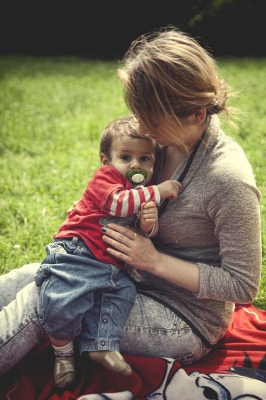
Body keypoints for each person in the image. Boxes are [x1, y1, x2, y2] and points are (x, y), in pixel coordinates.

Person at [0, 27, 262, 391]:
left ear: (196, 115)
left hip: (182, 319)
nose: (140, 127)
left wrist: (153, 261)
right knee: (29, 276)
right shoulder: (161, 140)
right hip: (119, 277)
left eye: (150, 118)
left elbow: (243, 285)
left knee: (44, 300)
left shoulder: (228, 180)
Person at [33, 115, 181, 389]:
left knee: (122, 295)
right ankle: (63, 353)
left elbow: (139, 231)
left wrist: (147, 223)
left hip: (111, 268)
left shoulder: (139, 191)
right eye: (126, 157)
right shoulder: (107, 180)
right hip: (79, 252)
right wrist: (158, 192)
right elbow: (117, 205)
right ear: (107, 161)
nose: (135, 165)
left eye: (145, 159)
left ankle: (100, 344)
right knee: (64, 299)